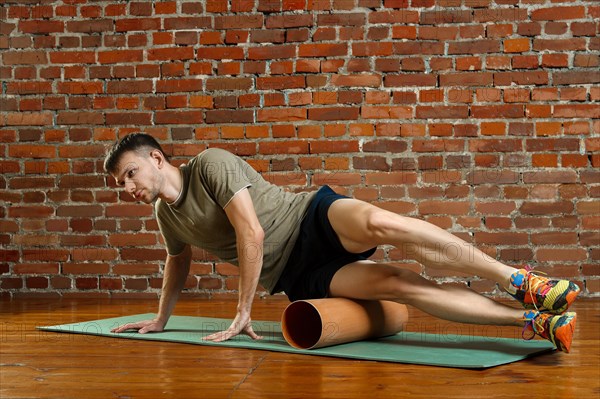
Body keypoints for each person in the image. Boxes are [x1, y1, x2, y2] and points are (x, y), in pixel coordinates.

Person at [104, 133, 580, 352]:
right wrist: (162, 317)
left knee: (381, 222)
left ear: (157, 158)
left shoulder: (210, 163)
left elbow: (252, 231)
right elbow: (177, 261)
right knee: (400, 284)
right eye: (120, 184)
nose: (128, 187)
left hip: (307, 216)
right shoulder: (166, 215)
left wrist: (243, 311)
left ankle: (520, 280)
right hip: (296, 274)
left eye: (130, 174)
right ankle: (534, 321)